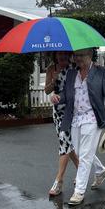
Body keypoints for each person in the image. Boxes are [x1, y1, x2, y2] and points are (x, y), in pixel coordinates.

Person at [50, 48, 105, 206]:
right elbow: (67, 95)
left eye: (81, 55)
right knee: (79, 152)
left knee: (85, 156)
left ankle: (79, 191)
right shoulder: (72, 73)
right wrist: (56, 98)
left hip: (93, 117)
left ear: (90, 56)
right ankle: (100, 171)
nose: (77, 59)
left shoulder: (101, 72)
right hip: (75, 119)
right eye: (76, 55)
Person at [46, 52, 80, 196]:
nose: (63, 61)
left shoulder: (74, 68)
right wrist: (52, 84)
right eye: (60, 58)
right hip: (57, 111)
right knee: (66, 143)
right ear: (56, 56)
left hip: (71, 110)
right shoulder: (51, 68)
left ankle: (59, 181)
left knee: (64, 141)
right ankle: (81, 170)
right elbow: (47, 90)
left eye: (65, 58)